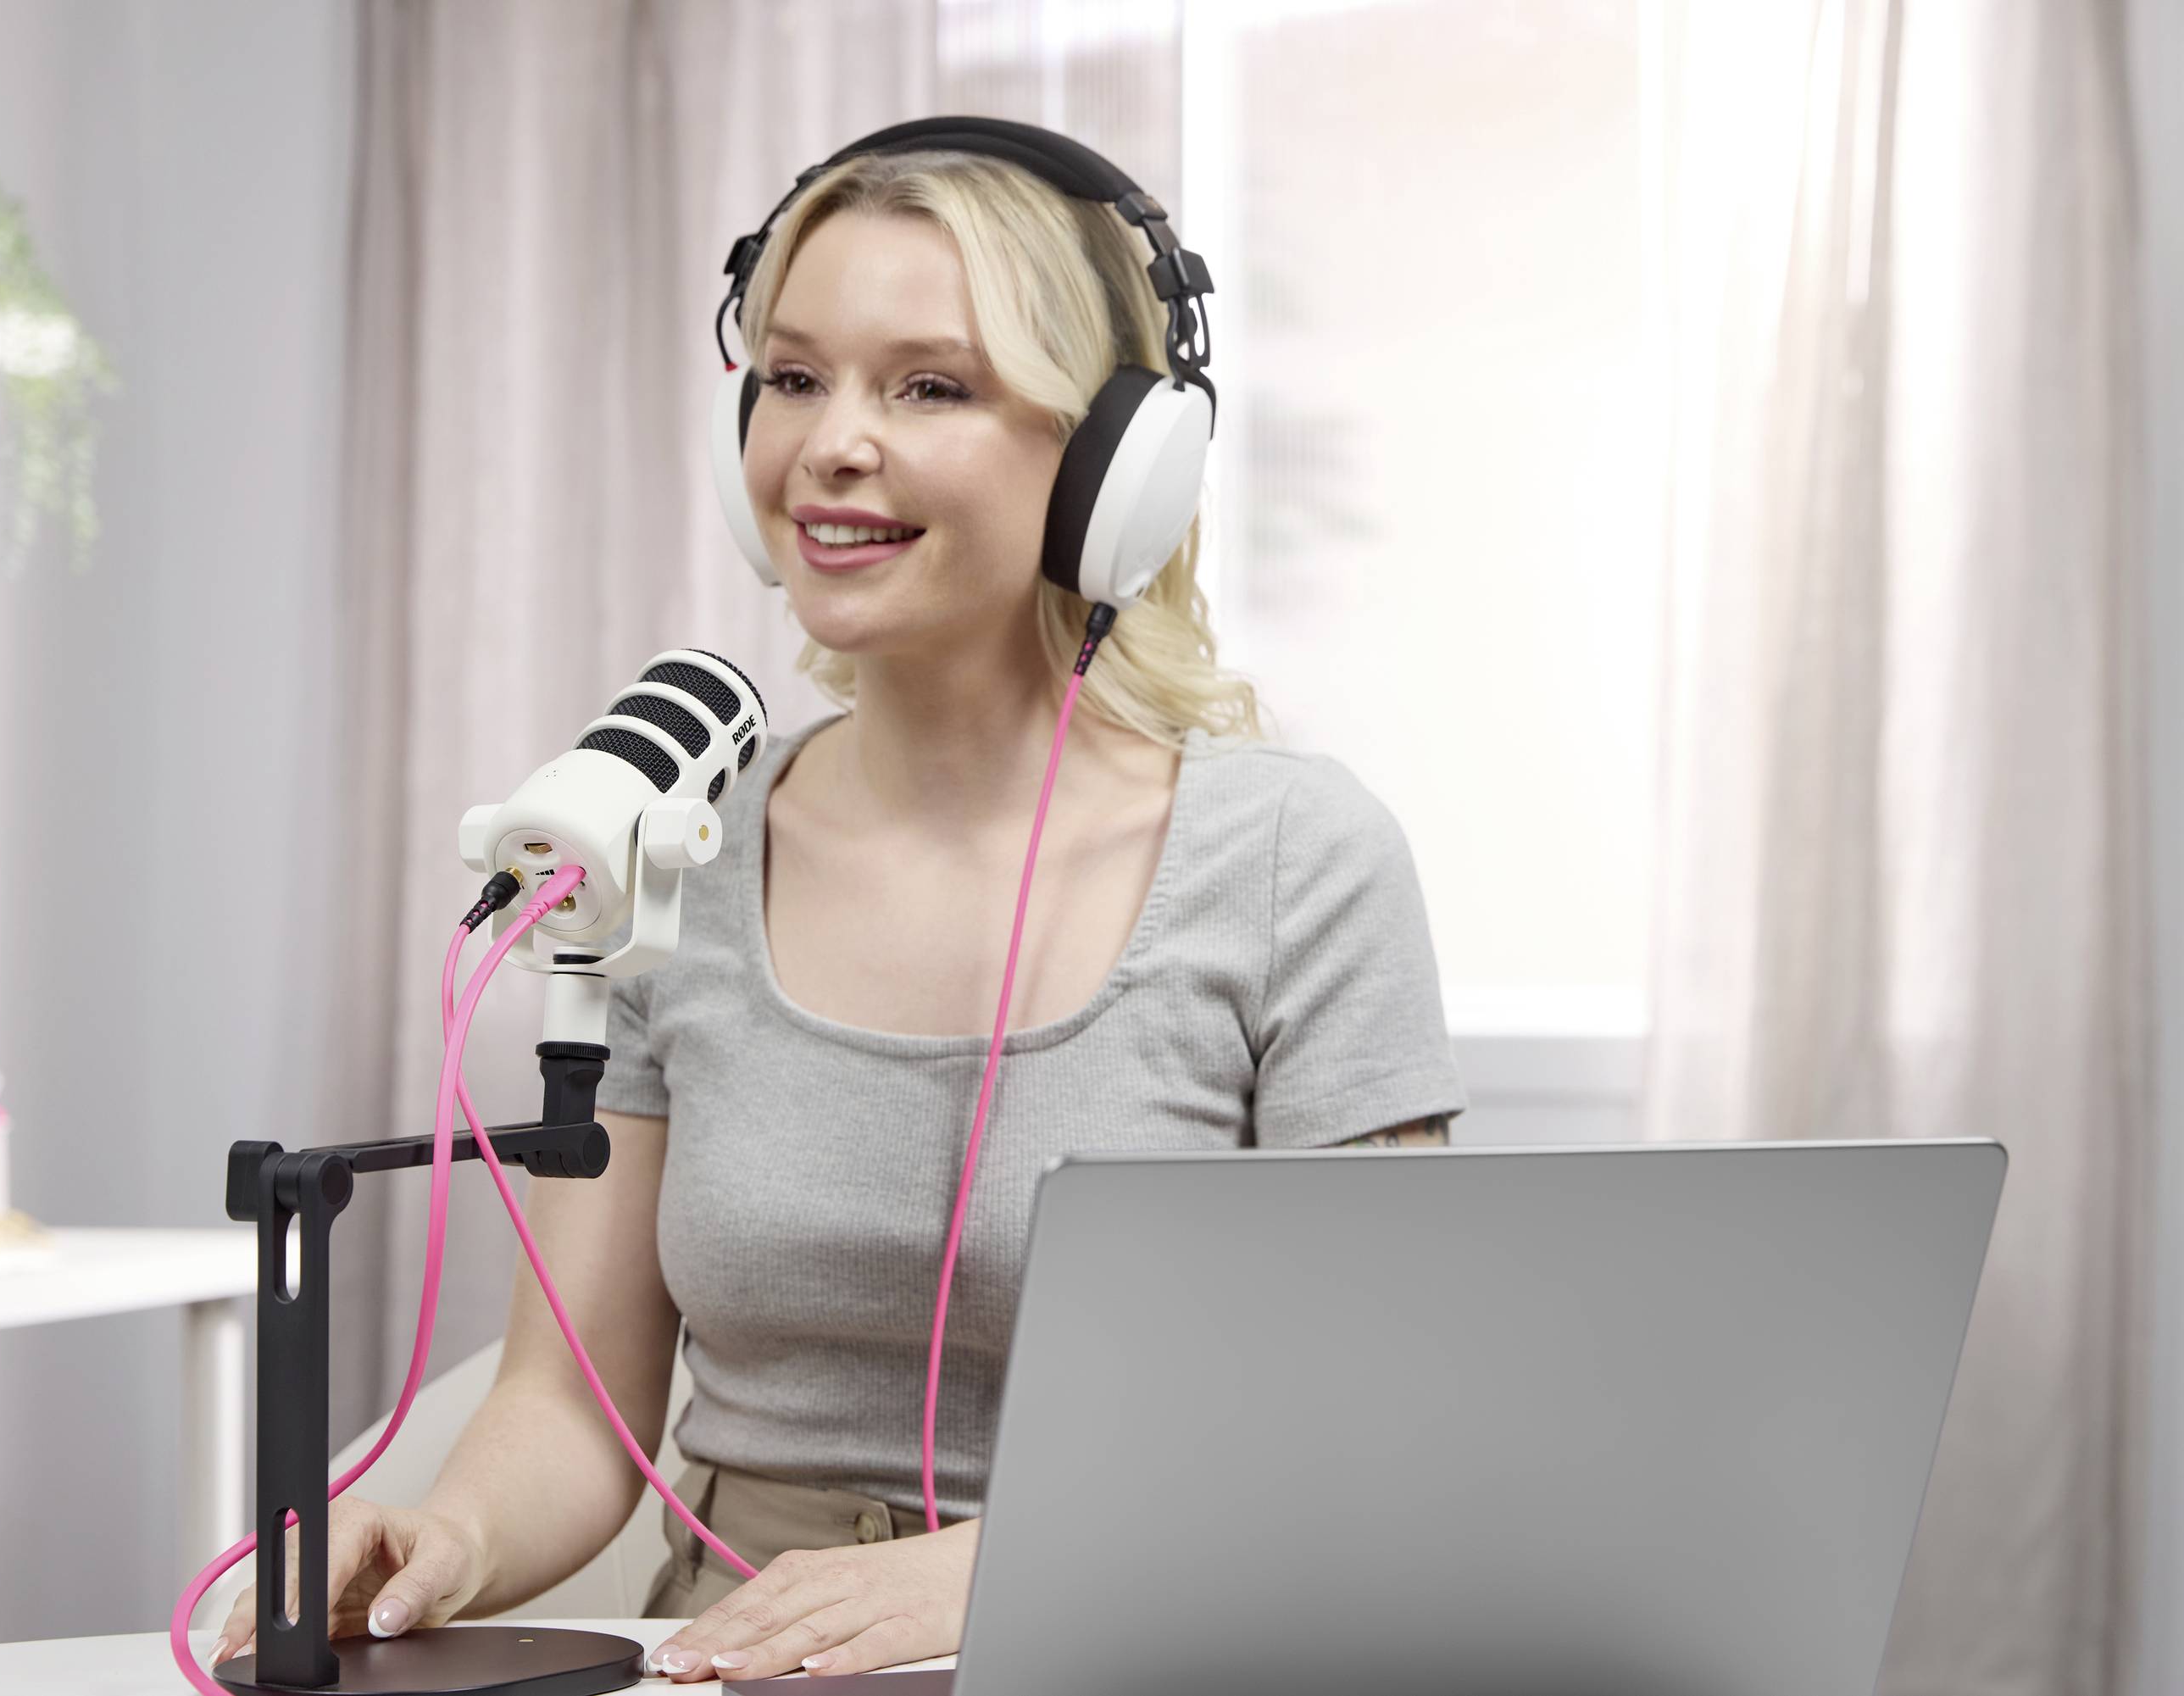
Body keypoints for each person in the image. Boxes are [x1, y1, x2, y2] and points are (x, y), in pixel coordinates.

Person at [211, 130, 1464, 1684]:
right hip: (728, 1656)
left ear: (1112, 466)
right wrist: (450, 1532)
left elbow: (1378, 1424)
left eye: (927, 386)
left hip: (1146, 1647)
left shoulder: (1296, 860)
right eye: (792, 378)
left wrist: (997, 1573)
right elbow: (569, 1406)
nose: (828, 446)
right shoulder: (677, 846)